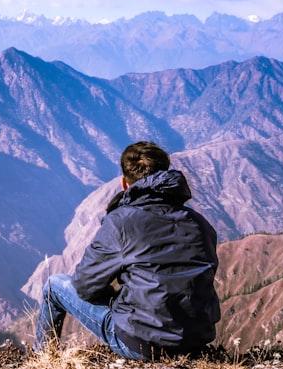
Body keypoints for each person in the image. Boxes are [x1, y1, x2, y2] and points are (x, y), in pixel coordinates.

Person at [34, 141, 221, 360]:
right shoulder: (200, 223)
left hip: (142, 344)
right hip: (196, 342)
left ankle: (42, 358)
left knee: (53, 286)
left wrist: (115, 298)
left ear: (125, 183)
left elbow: (84, 286)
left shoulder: (121, 222)